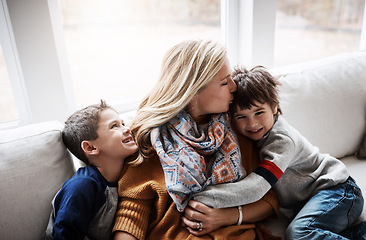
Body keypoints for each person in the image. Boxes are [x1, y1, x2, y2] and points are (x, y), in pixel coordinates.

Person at [113, 40, 280, 240]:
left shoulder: (238, 127)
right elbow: (132, 213)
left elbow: (268, 199)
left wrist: (224, 217)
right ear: (194, 89)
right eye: (225, 82)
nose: (234, 87)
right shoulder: (150, 136)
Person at [193, 66, 366, 239]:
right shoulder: (246, 138)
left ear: (274, 107)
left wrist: (205, 197)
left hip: (338, 191)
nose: (252, 123)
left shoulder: (282, 140)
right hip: (310, 202)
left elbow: (257, 186)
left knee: (299, 233)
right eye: (241, 117)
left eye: (259, 112)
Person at [43, 100, 138, 240]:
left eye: (123, 123)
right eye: (114, 126)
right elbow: (64, 235)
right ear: (91, 148)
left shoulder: (128, 176)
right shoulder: (82, 185)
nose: (127, 128)